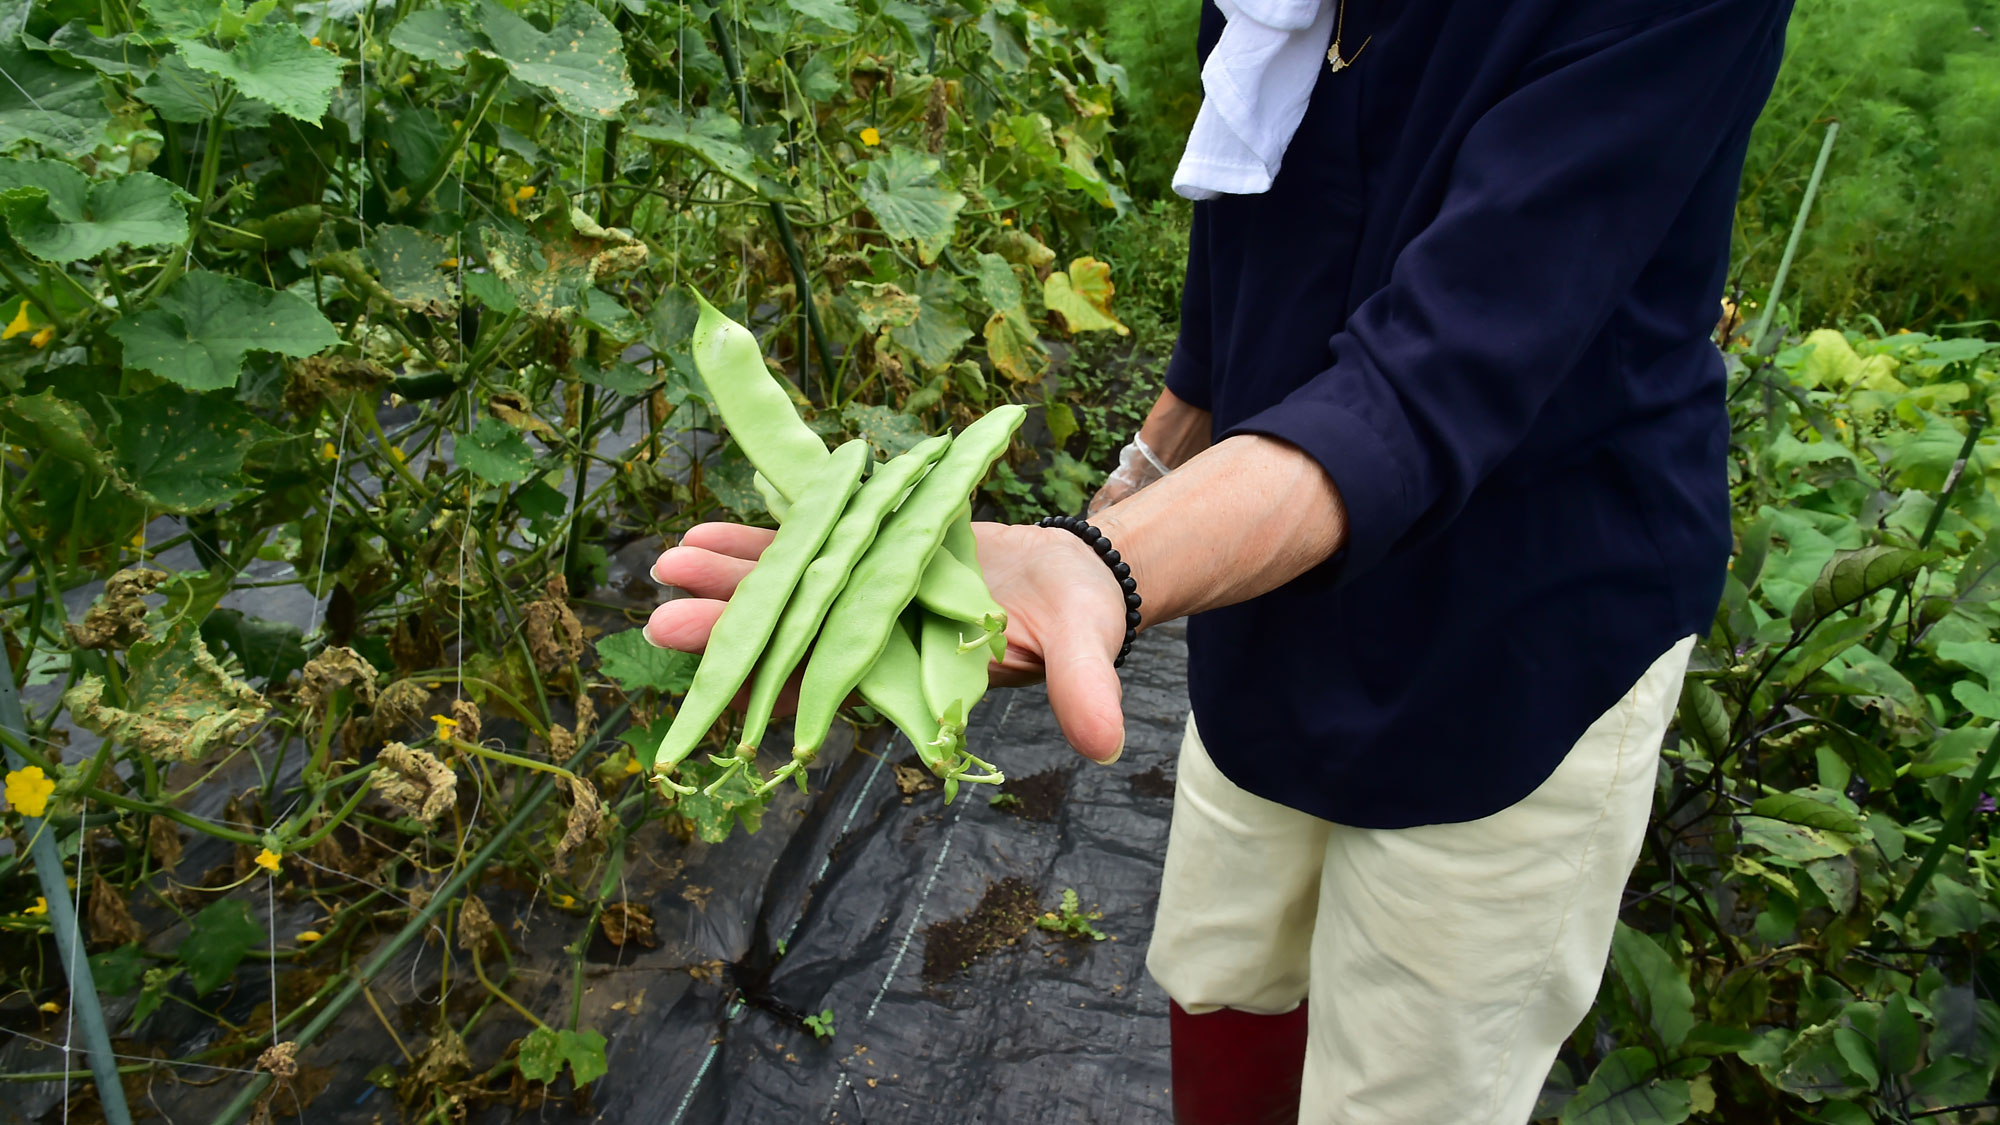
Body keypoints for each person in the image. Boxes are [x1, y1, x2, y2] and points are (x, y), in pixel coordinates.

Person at [649, 0, 1793, 1119]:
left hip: (1524, 632)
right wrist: (1140, 480)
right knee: (1220, 979)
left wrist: (1103, 563)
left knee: (1406, 1087)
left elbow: (1430, 375)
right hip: (1260, 578)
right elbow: (1239, 276)